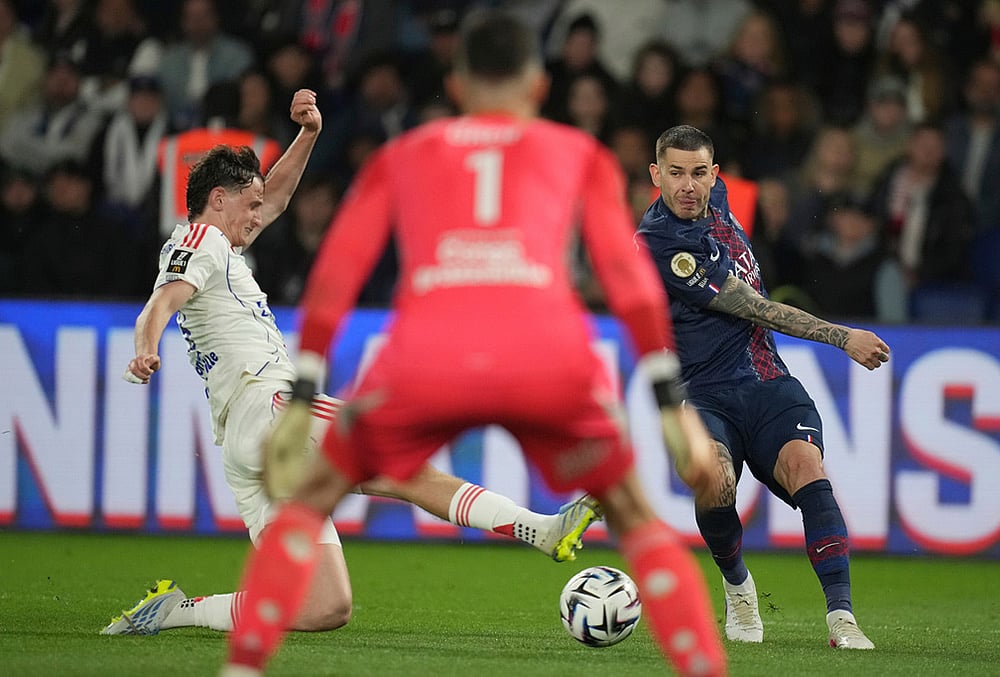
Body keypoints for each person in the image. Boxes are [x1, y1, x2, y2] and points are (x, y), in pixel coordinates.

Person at [221, 12, 726, 677]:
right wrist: (667, 400)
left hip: (426, 361)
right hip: (547, 360)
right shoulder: (580, 154)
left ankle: (242, 666)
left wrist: (307, 387)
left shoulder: (405, 154)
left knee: (309, 499)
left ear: (456, 85)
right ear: (540, 85)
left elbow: (336, 273)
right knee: (636, 517)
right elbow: (628, 283)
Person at [100, 88, 604, 638]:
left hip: (247, 447)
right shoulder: (200, 239)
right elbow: (160, 302)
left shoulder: (217, 244)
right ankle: (541, 529)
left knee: (324, 607)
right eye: (248, 205)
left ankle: (179, 611)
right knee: (406, 467)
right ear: (217, 199)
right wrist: (146, 345)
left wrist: (309, 135)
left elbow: (275, 199)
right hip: (273, 412)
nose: (259, 215)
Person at [637, 124, 889, 650]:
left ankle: (842, 619)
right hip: (702, 393)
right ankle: (737, 587)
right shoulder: (662, 242)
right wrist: (842, 337)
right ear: (655, 176)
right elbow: (754, 307)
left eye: (699, 173)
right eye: (675, 174)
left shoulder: (719, 197)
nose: (688, 185)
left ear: (715, 174)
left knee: (807, 467)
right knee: (715, 480)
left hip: (768, 381)